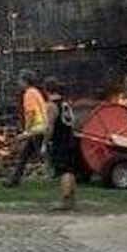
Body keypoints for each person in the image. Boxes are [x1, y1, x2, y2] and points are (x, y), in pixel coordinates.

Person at [5, 69, 49, 186]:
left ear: (25, 81)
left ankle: (62, 173)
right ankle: (14, 180)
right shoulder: (36, 92)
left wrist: (27, 130)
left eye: (20, 80)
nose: (19, 83)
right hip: (42, 126)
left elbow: (31, 113)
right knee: (24, 155)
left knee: (43, 154)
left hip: (36, 128)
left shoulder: (29, 94)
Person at [46, 79, 80, 211]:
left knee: (63, 170)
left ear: (46, 89)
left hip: (60, 140)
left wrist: (46, 141)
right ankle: (72, 199)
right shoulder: (66, 103)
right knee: (70, 170)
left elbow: (50, 127)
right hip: (70, 138)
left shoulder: (51, 105)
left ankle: (65, 200)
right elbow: (73, 121)